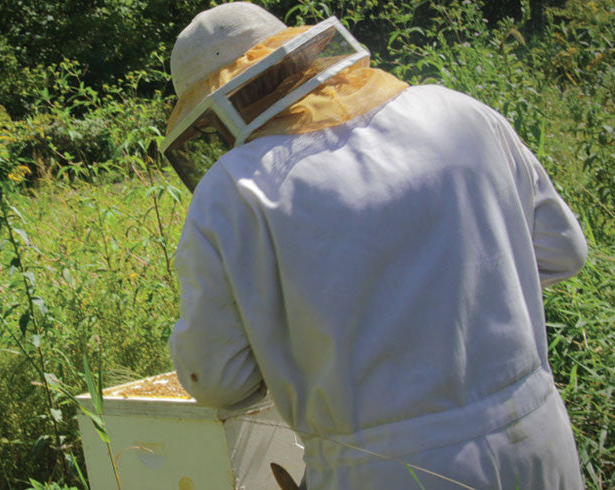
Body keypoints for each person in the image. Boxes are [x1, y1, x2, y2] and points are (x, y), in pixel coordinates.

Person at [163, 3, 588, 489]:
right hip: (536, 440)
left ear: (216, 110)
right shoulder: (459, 111)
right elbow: (562, 252)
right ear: (300, 58)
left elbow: (216, 378)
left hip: (385, 469)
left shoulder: (235, 189)